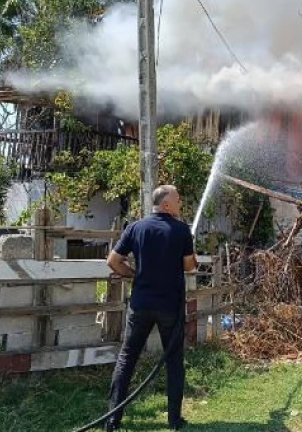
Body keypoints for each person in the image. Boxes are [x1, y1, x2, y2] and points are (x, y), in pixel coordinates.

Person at [105, 185, 196, 431]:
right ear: (166, 204)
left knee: (127, 358)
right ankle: (174, 421)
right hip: (170, 307)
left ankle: (112, 419)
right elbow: (189, 266)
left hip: (141, 304)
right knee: (174, 361)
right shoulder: (181, 230)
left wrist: (133, 275)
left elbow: (113, 261)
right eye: (177, 199)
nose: (180, 204)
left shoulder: (135, 227)